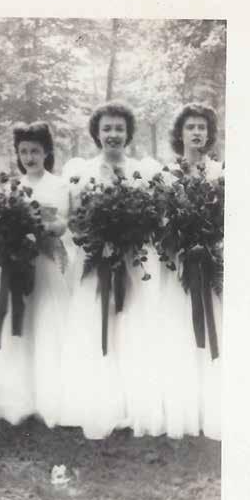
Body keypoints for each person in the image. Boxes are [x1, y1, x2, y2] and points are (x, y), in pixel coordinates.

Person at [60, 101, 163, 439]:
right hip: (96, 263)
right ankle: (99, 399)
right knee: (96, 324)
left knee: (131, 325)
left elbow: (153, 219)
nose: (113, 135)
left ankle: (134, 401)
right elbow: (74, 222)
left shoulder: (142, 172)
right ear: (97, 133)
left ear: (128, 133)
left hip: (131, 263)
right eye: (107, 128)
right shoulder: (83, 172)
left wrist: (129, 236)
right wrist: (95, 238)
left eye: (119, 128)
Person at [0, 122, 70, 427]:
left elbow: (62, 224)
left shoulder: (59, 185)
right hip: (19, 264)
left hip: (45, 263)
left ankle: (51, 396)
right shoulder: (11, 187)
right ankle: (19, 397)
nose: (30, 157)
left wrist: (40, 226)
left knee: (47, 321)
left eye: (35, 151)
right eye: (24, 151)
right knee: (20, 324)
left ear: (46, 152)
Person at [159, 103, 223, 440]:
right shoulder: (169, 174)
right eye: (190, 127)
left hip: (210, 261)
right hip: (181, 264)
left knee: (216, 326)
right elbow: (161, 223)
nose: (197, 132)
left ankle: (213, 406)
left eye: (202, 127)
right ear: (180, 134)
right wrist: (180, 243)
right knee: (181, 329)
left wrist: (210, 243)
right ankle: (185, 406)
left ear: (209, 134)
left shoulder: (218, 172)